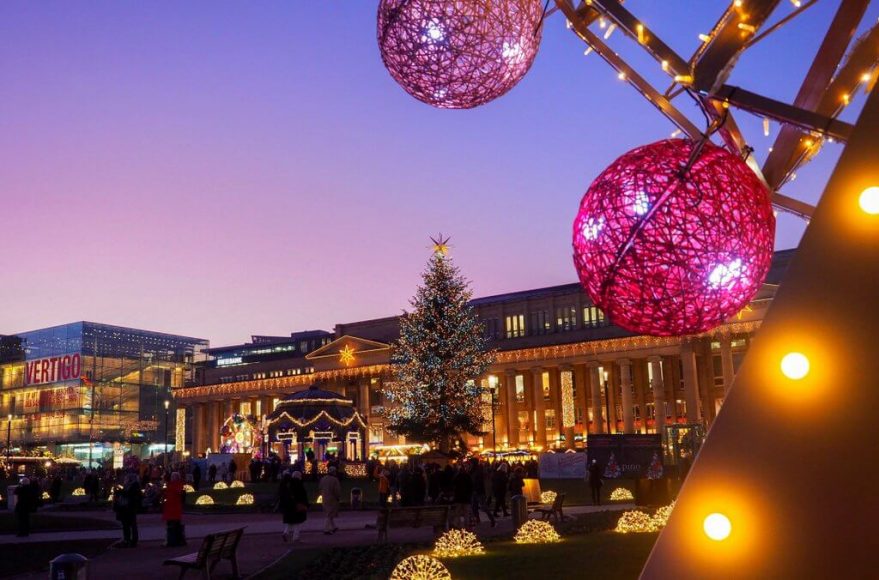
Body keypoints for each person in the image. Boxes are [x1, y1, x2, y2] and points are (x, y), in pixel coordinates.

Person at [114, 473, 142, 548]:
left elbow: (130, 495)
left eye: (126, 479)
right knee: (128, 524)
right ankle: (128, 539)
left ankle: (130, 540)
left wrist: (120, 491)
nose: (125, 480)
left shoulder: (133, 486)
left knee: (130, 524)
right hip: (127, 508)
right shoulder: (131, 486)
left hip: (129, 508)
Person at [280, 471, 309, 543]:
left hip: (288, 506)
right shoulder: (299, 484)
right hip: (297, 505)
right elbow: (303, 496)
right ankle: (296, 537)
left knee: (289, 521)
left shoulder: (288, 484)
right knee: (297, 522)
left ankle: (285, 533)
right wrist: (305, 504)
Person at [162, 472, 186, 547]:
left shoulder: (174, 485)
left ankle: (172, 540)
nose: (171, 478)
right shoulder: (177, 485)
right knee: (175, 525)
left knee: (173, 525)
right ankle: (176, 540)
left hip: (173, 508)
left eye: (173, 476)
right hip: (173, 507)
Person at [318, 466, 341, 534]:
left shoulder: (323, 479)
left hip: (324, 497)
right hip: (332, 499)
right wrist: (338, 497)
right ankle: (326, 529)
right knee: (329, 514)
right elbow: (336, 490)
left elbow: (320, 487)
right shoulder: (335, 480)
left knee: (329, 513)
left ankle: (334, 527)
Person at [452, 463, 474, 529]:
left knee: (457, 513)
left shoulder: (457, 477)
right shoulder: (468, 476)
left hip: (458, 498)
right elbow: (471, 487)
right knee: (466, 514)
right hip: (466, 498)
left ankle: (457, 525)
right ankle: (466, 526)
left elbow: (453, 484)